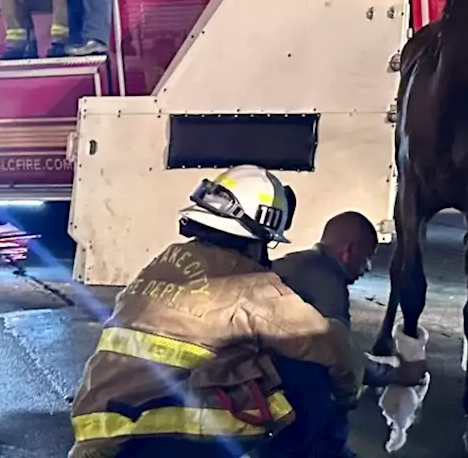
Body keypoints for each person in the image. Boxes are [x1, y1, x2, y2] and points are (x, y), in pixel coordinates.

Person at [68, 164, 364, 458]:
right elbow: (331, 345)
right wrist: (346, 395)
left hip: (98, 429)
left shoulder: (166, 259)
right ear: (256, 239)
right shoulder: (248, 281)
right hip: (151, 436)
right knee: (305, 371)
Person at [271, 210, 397, 457]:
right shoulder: (328, 281)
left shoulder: (292, 262)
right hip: (292, 402)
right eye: (367, 257)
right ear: (349, 250)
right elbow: (341, 356)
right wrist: (394, 374)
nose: (368, 268)